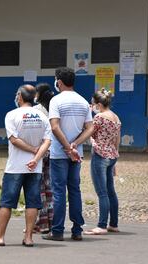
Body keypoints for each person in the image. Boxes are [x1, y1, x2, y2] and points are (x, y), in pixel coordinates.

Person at [0, 84, 51, 247]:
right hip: (35, 167)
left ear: (19, 96)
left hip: (15, 167)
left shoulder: (12, 115)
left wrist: (32, 150)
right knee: (32, 202)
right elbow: (47, 141)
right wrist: (36, 157)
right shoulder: (42, 117)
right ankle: (28, 238)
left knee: (6, 202)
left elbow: (14, 140)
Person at [43, 67, 93, 241]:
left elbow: (55, 126)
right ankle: (77, 230)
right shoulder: (83, 101)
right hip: (76, 154)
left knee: (58, 192)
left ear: (59, 82)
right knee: (74, 191)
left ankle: (57, 231)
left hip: (59, 153)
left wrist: (66, 147)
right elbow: (90, 127)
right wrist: (75, 145)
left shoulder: (56, 101)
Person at [84, 88, 121, 235]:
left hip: (100, 155)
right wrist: (115, 157)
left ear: (98, 104)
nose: (91, 106)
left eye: (92, 104)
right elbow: (117, 139)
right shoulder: (116, 117)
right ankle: (113, 224)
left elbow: (89, 132)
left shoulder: (99, 117)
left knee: (102, 193)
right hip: (112, 156)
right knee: (111, 192)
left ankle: (101, 225)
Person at [33, 83, 55, 234]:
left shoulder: (35, 111)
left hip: (40, 152)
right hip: (54, 153)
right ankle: (51, 222)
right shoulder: (54, 110)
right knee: (50, 189)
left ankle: (41, 223)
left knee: (38, 189)